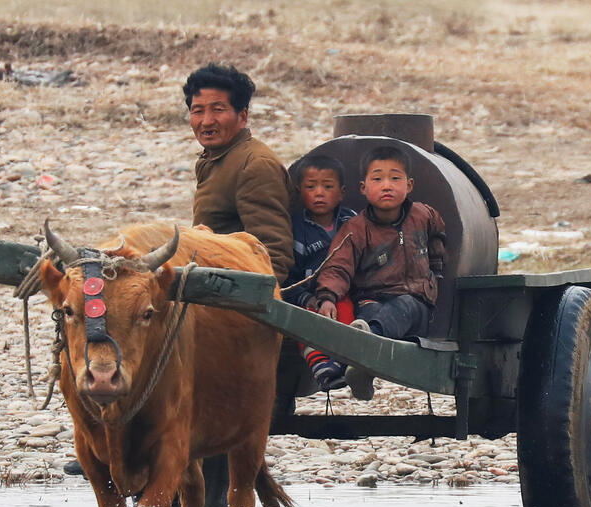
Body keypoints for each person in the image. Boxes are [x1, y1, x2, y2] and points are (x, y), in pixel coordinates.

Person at [313, 145, 446, 400]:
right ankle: (362, 366)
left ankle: (364, 343)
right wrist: (327, 297)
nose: (387, 185)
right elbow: (338, 266)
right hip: (372, 300)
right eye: (378, 179)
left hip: (416, 302)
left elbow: (438, 235)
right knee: (372, 313)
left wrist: (436, 270)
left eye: (395, 178)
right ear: (363, 188)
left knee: (401, 308)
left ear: (409, 185)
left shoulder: (423, 215)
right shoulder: (356, 229)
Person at [183, 63, 294, 282]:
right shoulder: (215, 157)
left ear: (242, 116)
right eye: (198, 111)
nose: (206, 121)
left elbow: (273, 259)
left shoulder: (255, 165)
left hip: (230, 296)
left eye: (218, 109)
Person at [281, 154, 357, 390]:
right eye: (311, 187)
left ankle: (342, 361)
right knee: (305, 320)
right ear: (300, 192)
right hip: (308, 293)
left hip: (344, 291)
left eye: (327, 186)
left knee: (346, 312)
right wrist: (308, 297)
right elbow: (290, 276)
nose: (319, 193)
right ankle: (319, 364)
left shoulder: (351, 221)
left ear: (341, 192)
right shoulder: (296, 229)